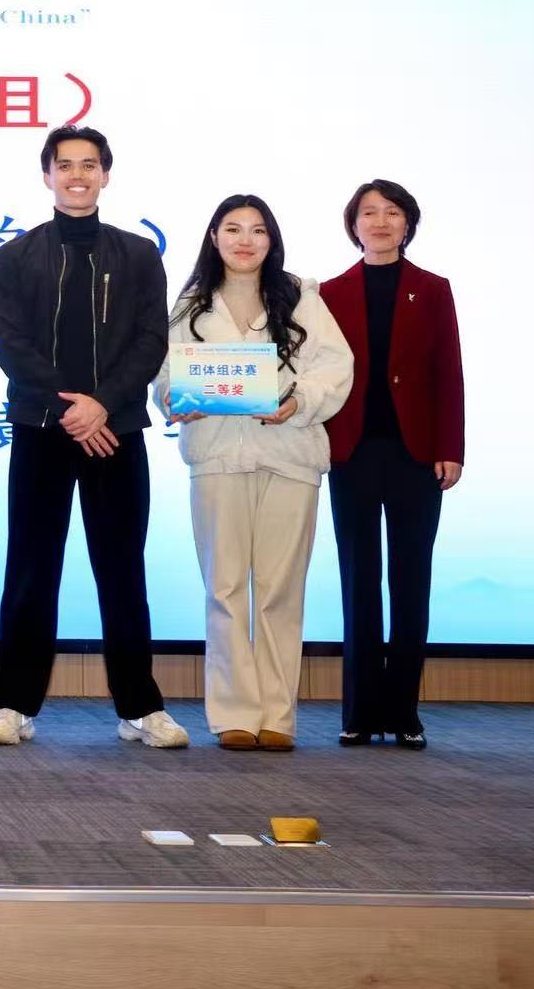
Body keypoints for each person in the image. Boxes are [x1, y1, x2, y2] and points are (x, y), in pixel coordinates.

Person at [0, 124, 189, 749]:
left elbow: (150, 341)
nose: (78, 175)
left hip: (115, 431)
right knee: (31, 568)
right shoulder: (15, 256)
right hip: (41, 429)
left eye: (89, 165)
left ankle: (140, 709)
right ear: (47, 175)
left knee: (122, 569)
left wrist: (101, 405)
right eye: (66, 165)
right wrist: (69, 409)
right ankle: (13, 705)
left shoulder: (139, 254)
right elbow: (10, 344)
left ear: (106, 175)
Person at [155, 195, 352, 751]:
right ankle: (234, 714)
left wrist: (298, 400)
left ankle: (277, 716)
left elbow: (336, 366)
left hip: (290, 455)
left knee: (279, 590)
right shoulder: (191, 303)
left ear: (272, 239)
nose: (245, 240)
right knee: (224, 588)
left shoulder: (301, 296)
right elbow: (165, 372)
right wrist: (173, 398)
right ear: (213, 236)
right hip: (217, 457)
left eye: (258, 230)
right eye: (233, 229)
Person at [320, 180, 464, 750]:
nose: (380, 222)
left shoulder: (433, 289)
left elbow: (448, 372)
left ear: (409, 223)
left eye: (392, 212)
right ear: (353, 224)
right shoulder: (330, 292)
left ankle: (405, 713)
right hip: (352, 452)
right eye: (369, 213)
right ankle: (359, 712)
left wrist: (451, 447)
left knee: (411, 581)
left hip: (416, 455)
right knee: (358, 581)